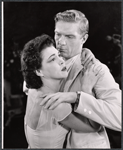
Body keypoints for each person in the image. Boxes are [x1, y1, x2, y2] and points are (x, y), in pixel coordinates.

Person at [40, 10, 121, 148]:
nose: (61, 42)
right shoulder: (45, 64)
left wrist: (78, 97)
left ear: (83, 39)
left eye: (70, 36)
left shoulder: (96, 69)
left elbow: (120, 118)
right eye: (58, 34)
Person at [21, 34, 102, 148]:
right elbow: (94, 127)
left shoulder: (31, 87)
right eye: (52, 59)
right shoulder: (56, 105)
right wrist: (86, 89)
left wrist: (85, 51)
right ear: (38, 71)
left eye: (58, 55)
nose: (61, 61)